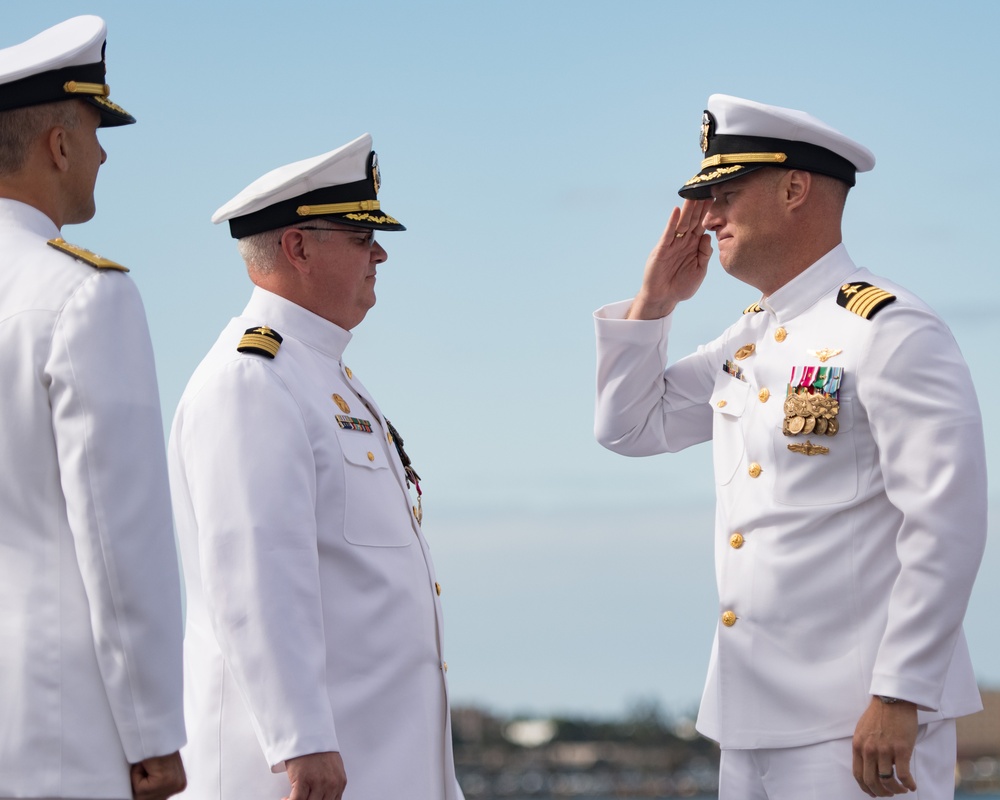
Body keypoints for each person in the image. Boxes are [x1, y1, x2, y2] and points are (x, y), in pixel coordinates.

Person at [593, 94, 987, 799]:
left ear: (795, 188)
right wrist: (654, 305)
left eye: (725, 195)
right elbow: (627, 427)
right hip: (750, 719)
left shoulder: (890, 329)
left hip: (861, 723)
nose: (708, 218)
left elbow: (945, 523)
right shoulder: (745, 339)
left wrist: (901, 691)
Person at [169, 133, 463, 800]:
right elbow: (255, 570)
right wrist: (300, 739)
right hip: (295, 774)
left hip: (376, 763)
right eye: (361, 236)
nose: (380, 253)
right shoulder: (253, 381)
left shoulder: (324, 377)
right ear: (299, 248)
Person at [0, 16, 186, 800]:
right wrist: (153, 733)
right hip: (54, 727)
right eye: (94, 131)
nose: (105, 154)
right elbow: (119, 540)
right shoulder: (81, 295)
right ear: (59, 146)